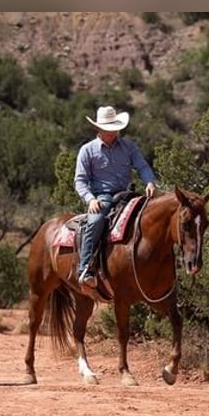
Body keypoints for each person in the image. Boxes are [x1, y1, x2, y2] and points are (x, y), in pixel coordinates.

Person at [74, 106, 157, 287]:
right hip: (102, 197)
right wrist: (91, 199)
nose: (112, 132)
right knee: (96, 221)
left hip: (128, 194)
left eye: (114, 128)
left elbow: (142, 166)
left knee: (152, 218)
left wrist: (150, 181)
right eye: (108, 129)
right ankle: (85, 268)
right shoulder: (87, 151)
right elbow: (80, 181)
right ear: (98, 129)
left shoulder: (129, 147)